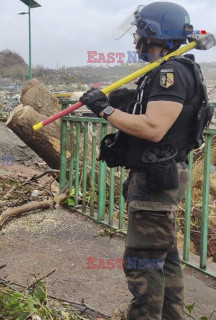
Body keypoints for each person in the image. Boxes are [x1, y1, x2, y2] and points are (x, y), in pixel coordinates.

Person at [79, 2, 212, 319]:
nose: (135, 38)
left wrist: (105, 111)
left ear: (154, 35)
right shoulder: (165, 71)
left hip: (155, 185)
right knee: (163, 259)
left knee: (143, 264)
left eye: (139, 32)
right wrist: (115, 102)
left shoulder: (170, 73)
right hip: (156, 180)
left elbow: (154, 128)